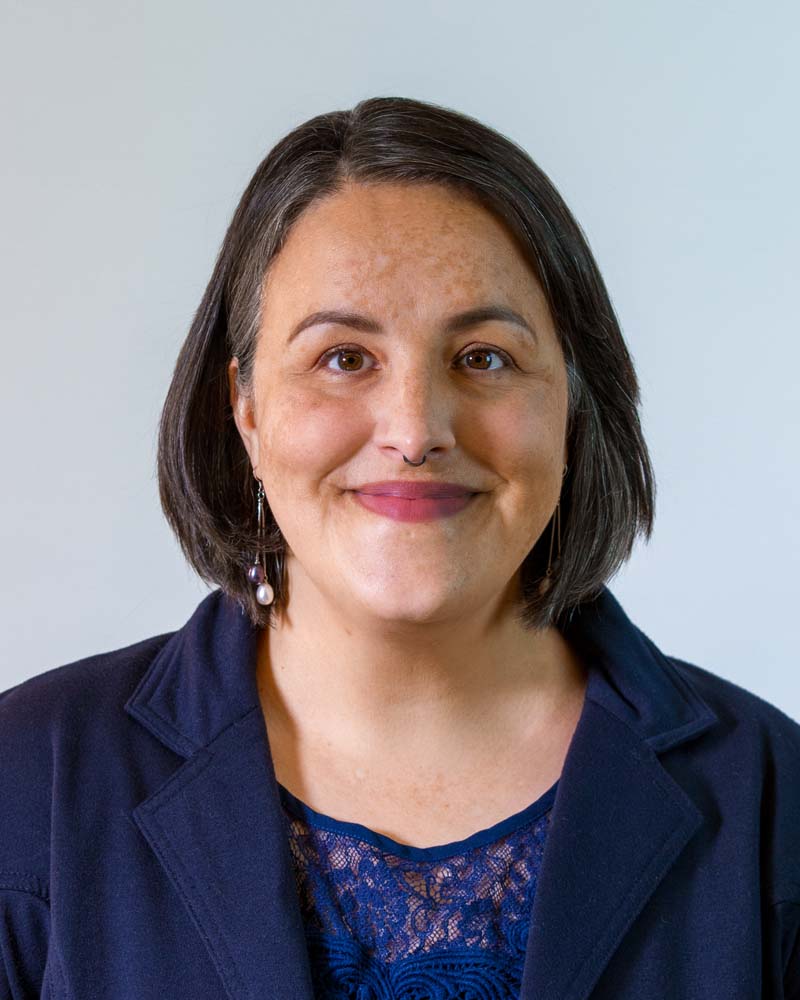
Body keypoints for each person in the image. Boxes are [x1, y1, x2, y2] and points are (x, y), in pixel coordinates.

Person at [1, 96, 798, 1000]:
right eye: (344, 357)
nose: (416, 429)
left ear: (574, 400)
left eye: (484, 357)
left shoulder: (777, 798)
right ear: (246, 408)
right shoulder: (28, 780)